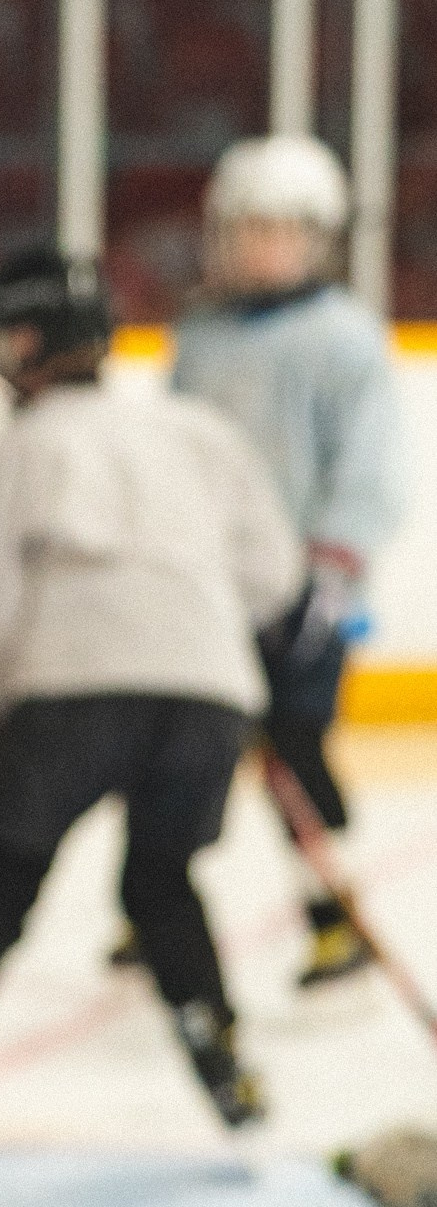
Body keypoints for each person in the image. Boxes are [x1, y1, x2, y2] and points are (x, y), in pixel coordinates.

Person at [0, 244, 302, 1158]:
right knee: (160, 882)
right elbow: (272, 577)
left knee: (7, 875)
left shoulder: (18, 450)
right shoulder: (195, 431)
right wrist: (198, 650)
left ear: (27, 342)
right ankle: (225, 1065)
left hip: (70, 690)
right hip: (206, 693)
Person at [170, 133, 407, 987]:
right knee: (179, 752)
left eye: (281, 229)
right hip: (209, 586)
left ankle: (328, 911)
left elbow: (368, 466)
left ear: (318, 237)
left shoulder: (344, 340)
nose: (261, 246)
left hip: (305, 589)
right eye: (247, 227)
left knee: (295, 754)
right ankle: (157, 900)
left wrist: (335, 568)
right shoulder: (200, 338)